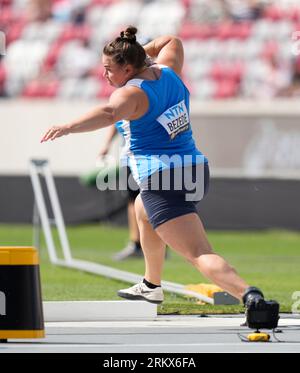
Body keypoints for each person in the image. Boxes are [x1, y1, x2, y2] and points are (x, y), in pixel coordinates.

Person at [41, 26, 269, 310]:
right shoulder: (169, 71)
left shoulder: (131, 95)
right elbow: (172, 40)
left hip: (164, 178)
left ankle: (251, 297)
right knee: (141, 210)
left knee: (198, 253)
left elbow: (109, 113)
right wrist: (140, 53)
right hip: (195, 169)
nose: (105, 75)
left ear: (127, 68)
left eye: (109, 69)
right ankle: (151, 284)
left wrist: (67, 127)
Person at [98, 124, 143, 260]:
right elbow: (115, 118)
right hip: (130, 157)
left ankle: (154, 244)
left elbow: (113, 114)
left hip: (146, 155)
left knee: (149, 200)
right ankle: (136, 245)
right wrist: (107, 144)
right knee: (133, 200)